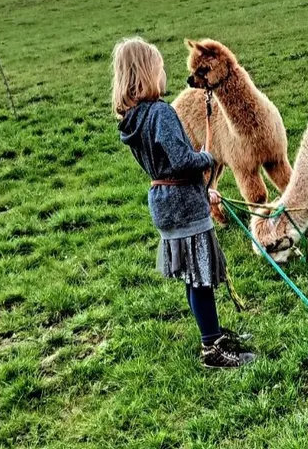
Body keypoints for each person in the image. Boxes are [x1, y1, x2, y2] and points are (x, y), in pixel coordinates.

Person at [112, 36, 254, 369]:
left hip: (164, 200)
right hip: (182, 202)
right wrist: (205, 158)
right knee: (202, 276)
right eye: (160, 69)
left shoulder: (132, 120)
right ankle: (212, 348)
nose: (165, 76)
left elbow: (163, 165)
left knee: (193, 276)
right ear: (146, 75)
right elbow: (180, 159)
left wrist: (203, 191)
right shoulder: (160, 113)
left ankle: (213, 332)